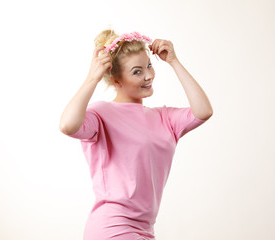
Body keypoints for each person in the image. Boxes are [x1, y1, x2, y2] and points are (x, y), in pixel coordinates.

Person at [59, 29, 213, 240]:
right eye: (137, 71)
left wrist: (174, 61)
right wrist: (91, 79)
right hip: (112, 228)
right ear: (116, 80)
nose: (148, 75)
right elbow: (68, 125)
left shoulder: (164, 118)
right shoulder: (101, 114)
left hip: (145, 230)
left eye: (149, 66)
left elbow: (203, 111)